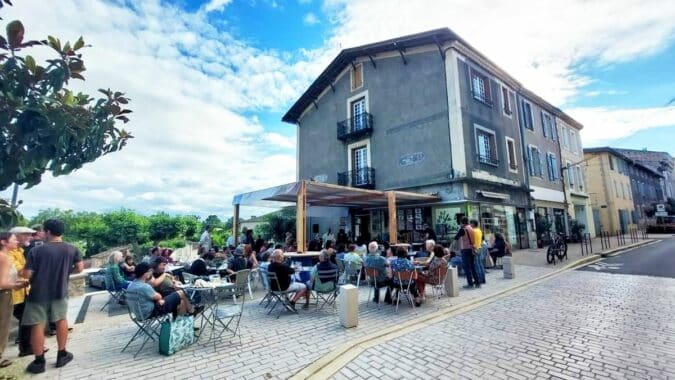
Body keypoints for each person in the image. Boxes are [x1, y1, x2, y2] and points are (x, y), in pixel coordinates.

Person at [22, 219, 84, 374]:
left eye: (43, 230)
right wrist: (65, 272)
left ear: (48, 231)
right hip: (60, 292)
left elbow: (27, 274)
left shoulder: (36, 251)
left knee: (37, 325)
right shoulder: (72, 249)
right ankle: (62, 354)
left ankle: (39, 361)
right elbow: (79, 268)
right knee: (61, 320)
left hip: (37, 294)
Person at [1, 232, 30, 368]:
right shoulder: (4, 258)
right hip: (4, 294)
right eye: (13, 239)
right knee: (3, 326)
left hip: (8, 292)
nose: (16, 241)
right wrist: (17, 285)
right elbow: (2, 283)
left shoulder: (7, 256)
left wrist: (18, 282)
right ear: (3, 242)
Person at [126, 262, 194, 321]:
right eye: (150, 272)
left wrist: (158, 299)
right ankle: (192, 311)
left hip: (139, 315)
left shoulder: (131, 285)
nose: (151, 274)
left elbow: (156, 297)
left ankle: (180, 324)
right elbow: (159, 296)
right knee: (181, 293)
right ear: (145, 274)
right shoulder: (144, 286)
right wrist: (158, 299)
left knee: (181, 302)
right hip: (151, 313)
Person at [8, 226, 36, 356]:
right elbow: (20, 270)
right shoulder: (7, 252)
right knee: (26, 318)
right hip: (11, 292)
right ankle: (26, 347)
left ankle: (27, 347)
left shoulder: (19, 250)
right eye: (27, 235)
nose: (30, 237)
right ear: (17, 236)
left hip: (22, 291)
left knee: (27, 319)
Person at [454, 217, 479, 289]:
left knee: (466, 267)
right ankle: (477, 282)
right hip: (472, 249)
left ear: (462, 222)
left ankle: (470, 284)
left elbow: (456, 237)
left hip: (465, 249)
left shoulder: (463, 229)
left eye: (460, 222)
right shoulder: (471, 228)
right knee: (473, 266)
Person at [470, 220, 486, 285]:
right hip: (480, 248)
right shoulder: (479, 230)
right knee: (480, 264)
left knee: (477, 265)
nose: (470, 225)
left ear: (473, 224)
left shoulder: (473, 231)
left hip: (475, 249)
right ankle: (483, 278)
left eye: (471, 223)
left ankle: (479, 279)